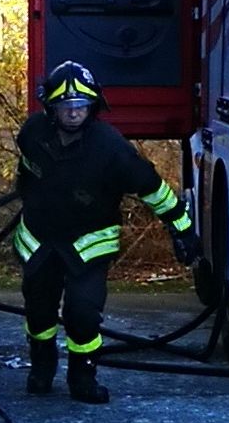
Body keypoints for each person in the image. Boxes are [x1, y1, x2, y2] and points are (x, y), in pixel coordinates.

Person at [13, 59, 200, 404]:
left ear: (93, 106)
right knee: (38, 310)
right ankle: (41, 368)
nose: (73, 113)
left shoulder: (111, 148)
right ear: (51, 108)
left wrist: (183, 229)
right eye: (65, 106)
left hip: (89, 244)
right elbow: (25, 173)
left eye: (80, 105)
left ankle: (83, 377)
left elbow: (153, 189)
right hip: (39, 240)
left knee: (82, 313)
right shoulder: (32, 133)